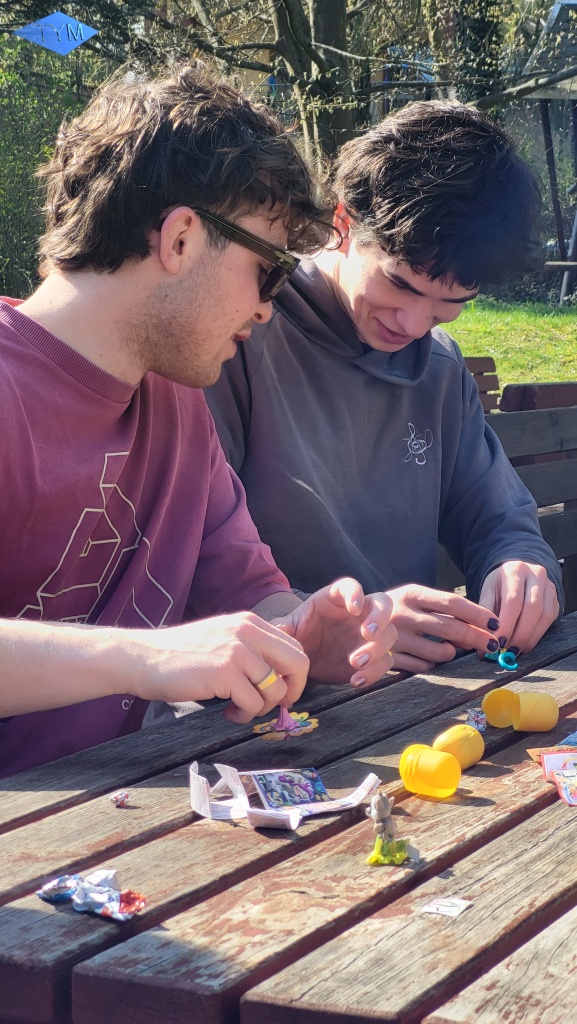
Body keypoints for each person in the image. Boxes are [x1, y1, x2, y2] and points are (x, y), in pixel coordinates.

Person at [0, 65, 404, 779]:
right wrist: (143, 658)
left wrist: (301, 631)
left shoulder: (178, 400)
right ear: (182, 239)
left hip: (126, 811)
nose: (267, 307)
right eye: (269, 269)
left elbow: (246, 589)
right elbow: (158, 656)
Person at [207, 101, 562, 675]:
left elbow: (496, 515)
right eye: (400, 284)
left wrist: (519, 565)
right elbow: (196, 554)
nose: (414, 325)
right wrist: (338, 627)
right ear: (344, 223)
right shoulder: (240, 336)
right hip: (265, 689)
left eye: (450, 304)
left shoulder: (440, 369)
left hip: (410, 694)